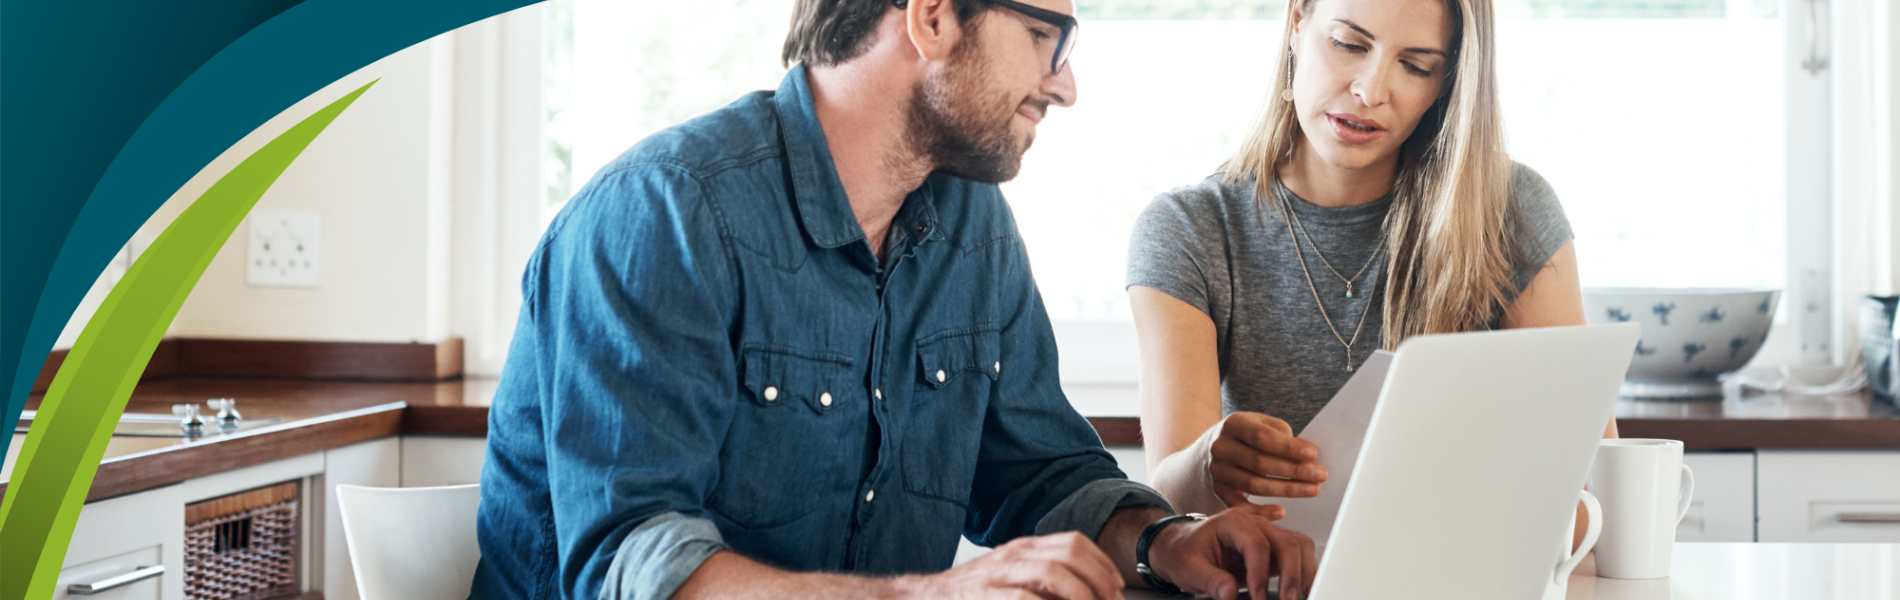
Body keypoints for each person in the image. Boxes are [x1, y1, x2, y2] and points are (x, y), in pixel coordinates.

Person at [470, 1, 1318, 599]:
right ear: (932, 17)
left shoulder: (971, 225)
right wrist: (931, 595)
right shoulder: (662, 216)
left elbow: (1037, 473)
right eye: (1042, 35)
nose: (1064, 86)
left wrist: (1165, 543)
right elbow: (630, 566)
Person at [1125, 0, 1613, 545]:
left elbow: (1596, 479)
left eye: (1416, 65)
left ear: (1447, 83)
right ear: (1296, 23)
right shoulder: (1190, 228)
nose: (1370, 90)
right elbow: (1169, 498)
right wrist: (1207, 462)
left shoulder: (1509, 210)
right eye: (1349, 44)